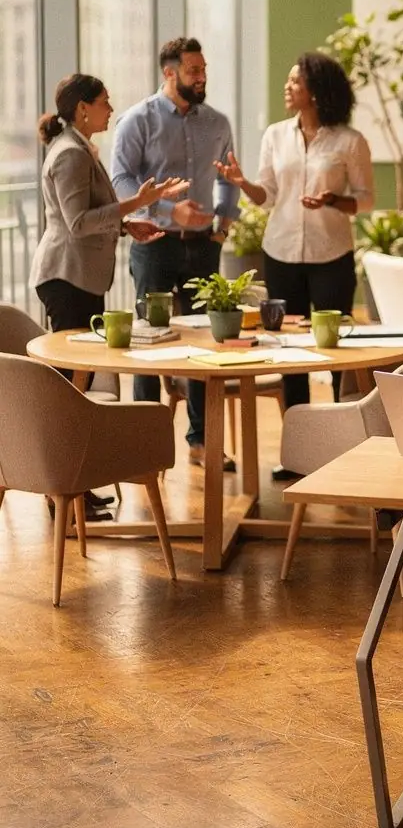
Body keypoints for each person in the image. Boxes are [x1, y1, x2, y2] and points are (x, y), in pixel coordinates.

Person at [30, 73, 187, 520]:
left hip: (80, 277)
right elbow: (77, 223)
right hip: (67, 277)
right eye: (104, 101)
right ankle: (62, 492)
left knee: (75, 387)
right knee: (67, 389)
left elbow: (87, 216)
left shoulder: (79, 148)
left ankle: (73, 486)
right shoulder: (70, 154)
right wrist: (136, 203)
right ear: (82, 108)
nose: (111, 109)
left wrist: (124, 224)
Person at [215, 52, 374, 425]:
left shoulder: (350, 141)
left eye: (294, 82)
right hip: (281, 253)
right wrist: (242, 183)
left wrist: (332, 200)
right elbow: (267, 196)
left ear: (315, 91)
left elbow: (366, 199)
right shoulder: (275, 135)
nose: (286, 87)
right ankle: (297, 435)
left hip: (332, 255)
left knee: (336, 349)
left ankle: (342, 429)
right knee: (289, 348)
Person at [110, 37, 240, 466]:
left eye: (203, 70)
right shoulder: (137, 120)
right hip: (154, 245)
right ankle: (146, 448)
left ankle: (202, 441)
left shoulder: (217, 122)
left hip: (203, 248)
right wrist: (168, 210)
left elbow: (228, 177)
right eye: (193, 71)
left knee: (205, 342)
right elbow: (121, 182)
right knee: (149, 340)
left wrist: (223, 224)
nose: (201, 78)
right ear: (170, 73)